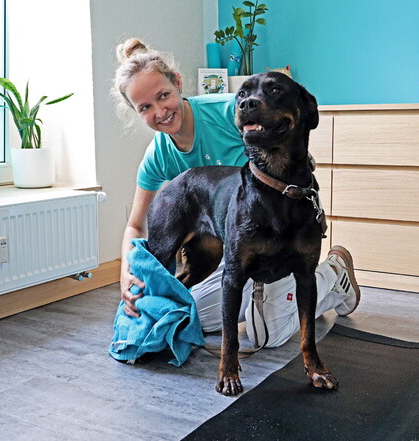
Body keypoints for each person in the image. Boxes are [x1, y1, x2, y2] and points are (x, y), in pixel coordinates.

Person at [112, 38, 360, 348]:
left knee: (265, 334)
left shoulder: (236, 110)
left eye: (163, 96)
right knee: (186, 318)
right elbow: (135, 225)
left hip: (278, 235)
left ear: (178, 83)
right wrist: (127, 272)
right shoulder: (158, 156)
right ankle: (256, 300)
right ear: (137, 112)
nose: (160, 111)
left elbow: (293, 158)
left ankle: (333, 276)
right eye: (145, 107)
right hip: (235, 251)